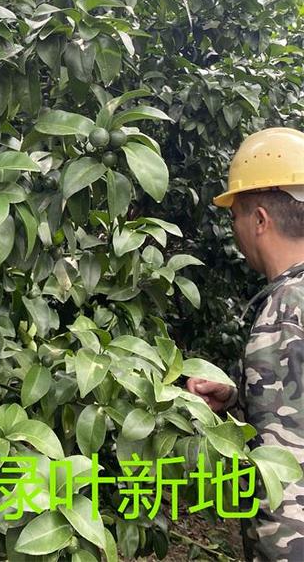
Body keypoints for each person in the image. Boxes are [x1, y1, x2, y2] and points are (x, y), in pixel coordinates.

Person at [186, 127, 304, 561]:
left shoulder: (286, 309)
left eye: (234, 215)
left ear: (259, 219)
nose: (233, 228)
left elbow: (286, 476)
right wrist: (240, 396)